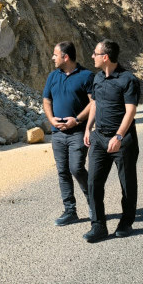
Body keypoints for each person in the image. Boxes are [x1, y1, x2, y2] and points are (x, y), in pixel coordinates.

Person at [82, 39, 140, 242]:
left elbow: (130, 110)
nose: (92, 57)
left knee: (127, 183)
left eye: (95, 53)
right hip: (99, 138)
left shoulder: (127, 80)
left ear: (105, 57)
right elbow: (95, 104)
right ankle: (98, 226)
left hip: (122, 141)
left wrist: (119, 136)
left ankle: (126, 221)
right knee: (93, 182)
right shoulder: (97, 78)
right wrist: (88, 128)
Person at [42, 41, 94, 227]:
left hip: (78, 132)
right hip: (57, 133)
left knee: (76, 168)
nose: (52, 58)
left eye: (55, 55)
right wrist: (51, 120)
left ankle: (93, 204)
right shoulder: (52, 76)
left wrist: (77, 120)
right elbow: (46, 99)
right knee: (62, 171)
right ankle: (70, 211)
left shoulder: (87, 76)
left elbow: (93, 102)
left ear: (66, 57)